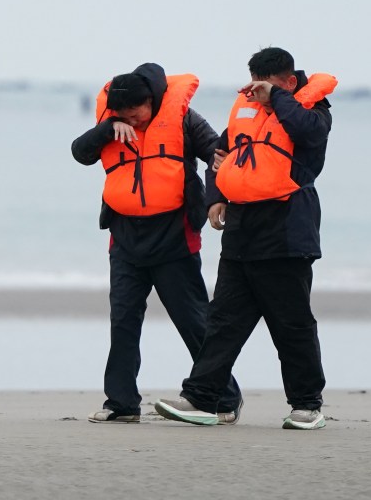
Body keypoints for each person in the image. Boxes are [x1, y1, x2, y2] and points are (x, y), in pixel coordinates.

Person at [155, 47, 336, 430]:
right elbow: (219, 156)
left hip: (287, 233)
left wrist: (278, 98)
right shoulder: (247, 114)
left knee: (291, 325)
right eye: (254, 83)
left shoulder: (313, 113)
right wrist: (215, 199)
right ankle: (202, 399)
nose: (256, 92)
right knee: (222, 321)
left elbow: (307, 132)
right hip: (241, 231)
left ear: (289, 82)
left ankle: (307, 406)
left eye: (265, 85)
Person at [71, 63, 242, 424]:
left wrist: (217, 198)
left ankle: (225, 398)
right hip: (125, 240)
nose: (131, 121)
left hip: (174, 239)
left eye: (136, 114)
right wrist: (106, 128)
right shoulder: (113, 123)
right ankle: (121, 403)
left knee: (194, 321)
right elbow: (80, 152)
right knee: (123, 322)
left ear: (151, 101)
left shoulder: (183, 119)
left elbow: (218, 156)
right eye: (124, 115)